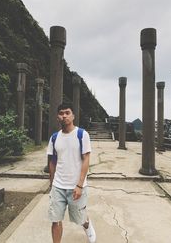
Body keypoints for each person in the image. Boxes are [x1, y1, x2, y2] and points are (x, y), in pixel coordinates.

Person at [47, 103, 96, 243]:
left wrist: (80, 185)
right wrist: (52, 184)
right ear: (58, 117)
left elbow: (86, 159)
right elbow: (52, 162)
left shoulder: (82, 134)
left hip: (76, 186)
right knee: (55, 220)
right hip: (58, 185)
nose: (64, 115)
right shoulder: (54, 138)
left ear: (73, 116)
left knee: (79, 218)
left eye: (67, 113)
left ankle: (87, 224)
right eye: (61, 113)